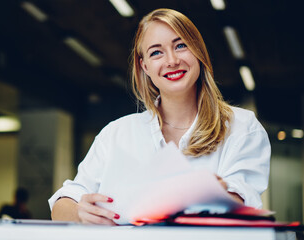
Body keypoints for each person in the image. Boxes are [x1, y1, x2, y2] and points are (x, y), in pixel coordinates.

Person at [48, 8, 270, 225]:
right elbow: (62, 203)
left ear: (198, 52)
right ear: (145, 66)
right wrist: (79, 213)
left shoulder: (241, 127)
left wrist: (217, 196)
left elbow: (241, 199)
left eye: (181, 46)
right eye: (156, 52)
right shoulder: (116, 133)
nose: (171, 60)